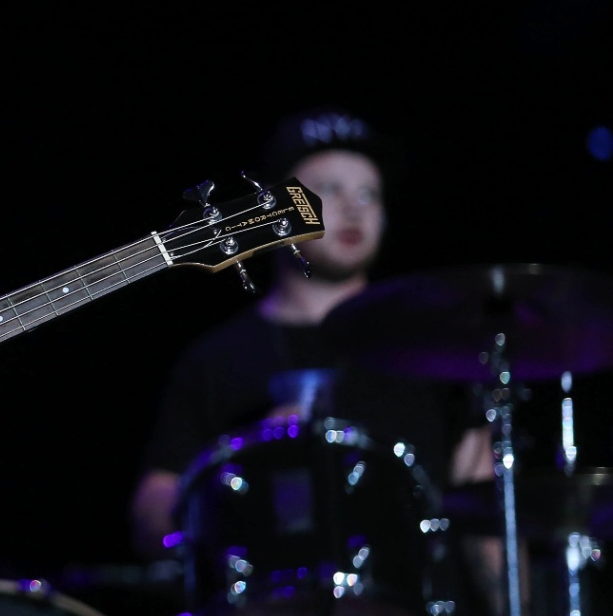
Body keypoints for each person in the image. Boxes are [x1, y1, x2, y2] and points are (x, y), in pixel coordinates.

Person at [129, 107, 461, 555]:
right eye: (328, 190)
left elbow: (487, 502)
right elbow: (151, 516)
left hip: (414, 595)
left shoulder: (436, 349)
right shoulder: (214, 359)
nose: (352, 208)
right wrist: (239, 464)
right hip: (265, 594)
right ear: (272, 212)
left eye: (368, 194)